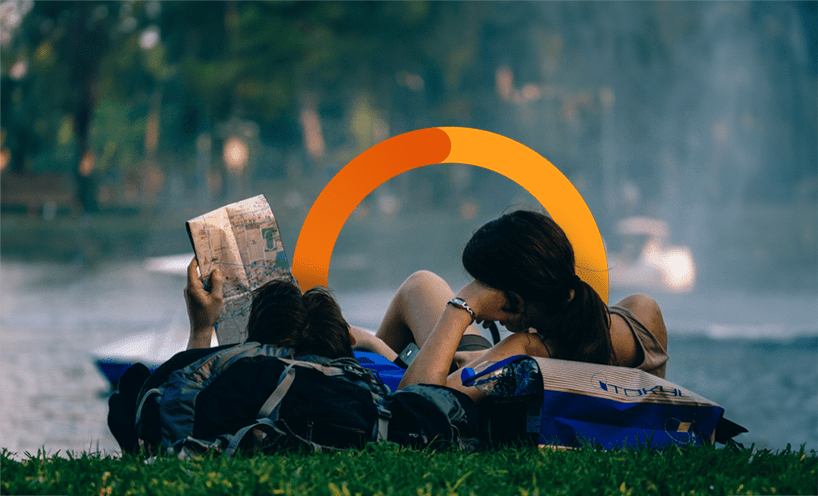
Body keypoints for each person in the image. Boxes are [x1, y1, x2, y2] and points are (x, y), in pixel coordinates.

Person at [354, 209, 669, 403]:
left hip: (468, 385)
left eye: (482, 286)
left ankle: (359, 380)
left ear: (513, 301)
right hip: (490, 368)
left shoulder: (524, 348)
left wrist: (463, 305)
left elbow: (418, 403)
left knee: (418, 286)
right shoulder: (641, 313)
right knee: (421, 285)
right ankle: (372, 363)